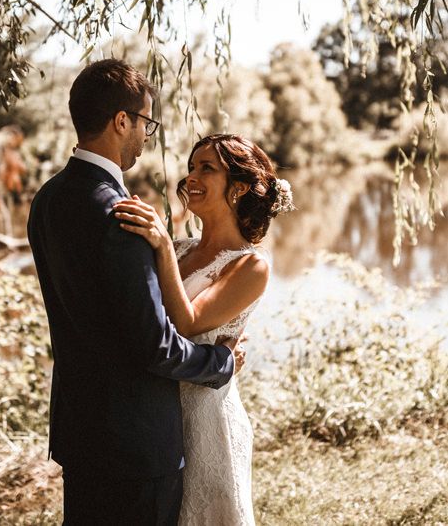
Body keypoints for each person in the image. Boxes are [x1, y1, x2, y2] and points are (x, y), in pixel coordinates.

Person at [27, 60, 243, 525]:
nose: (148, 135)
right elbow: (156, 345)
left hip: (80, 433)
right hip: (134, 443)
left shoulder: (47, 199)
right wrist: (220, 363)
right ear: (121, 120)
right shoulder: (121, 215)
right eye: (146, 122)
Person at [113, 134, 295, 525]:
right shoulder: (179, 248)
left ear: (240, 188)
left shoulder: (250, 266)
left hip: (207, 418)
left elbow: (188, 322)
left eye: (207, 168)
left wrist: (160, 247)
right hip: (156, 411)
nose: (191, 176)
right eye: (192, 166)